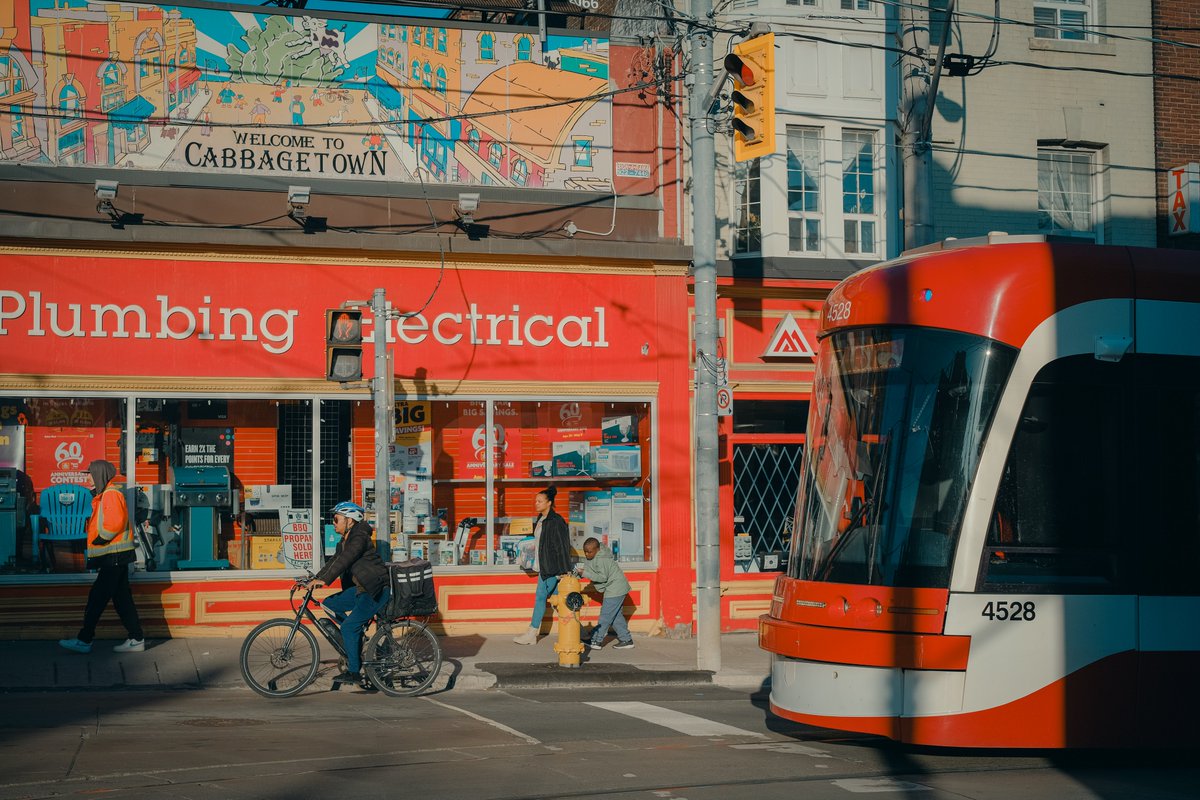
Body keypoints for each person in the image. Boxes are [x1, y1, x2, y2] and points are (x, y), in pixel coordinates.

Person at [59, 460, 145, 654]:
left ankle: (85, 639)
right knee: (122, 599)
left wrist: (100, 539)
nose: (87, 478)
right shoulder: (104, 495)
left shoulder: (110, 495)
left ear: (99, 475)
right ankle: (136, 638)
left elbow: (114, 523)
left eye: (89, 474)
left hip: (112, 556)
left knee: (97, 598)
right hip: (115, 556)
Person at [303, 501, 390, 687]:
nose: (333, 523)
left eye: (336, 519)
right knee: (329, 603)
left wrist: (325, 580)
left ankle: (354, 671)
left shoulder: (359, 537)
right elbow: (335, 561)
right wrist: (317, 579)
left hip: (374, 590)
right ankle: (356, 637)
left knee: (348, 628)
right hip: (361, 589)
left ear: (349, 520)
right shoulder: (345, 540)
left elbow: (346, 559)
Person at [513, 486, 572, 645]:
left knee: (540, 597)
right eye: (536, 501)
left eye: (540, 501)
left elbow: (562, 546)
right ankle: (582, 633)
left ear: (549, 503)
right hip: (544, 566)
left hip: (551, 568)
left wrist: (564, 570)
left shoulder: (556, 521)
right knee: (562, 603)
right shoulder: (541, 519)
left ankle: (531, 634)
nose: (536, 504)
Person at [577, 537, 634, 650]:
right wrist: (579, 573)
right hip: (617, 588)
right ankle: (626, 640)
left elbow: (602, 577)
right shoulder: (594, 556)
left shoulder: (602, 559)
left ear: (597, 549)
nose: (587, 554)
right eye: (585, 552)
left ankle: (596, 641)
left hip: (615, 589)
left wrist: (585, 573)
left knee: (605, 616)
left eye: (590, 552)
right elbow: (589, 568)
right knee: (615, 616)